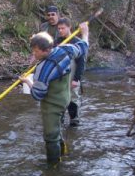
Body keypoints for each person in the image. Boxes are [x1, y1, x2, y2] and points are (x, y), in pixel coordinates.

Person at [20, 23, 89, 166]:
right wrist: (85, 33)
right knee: (57, 126)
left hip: (52, 105)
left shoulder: (42, 70)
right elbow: (83, 47)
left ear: (45, 50)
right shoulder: (66, 49)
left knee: (50, 136)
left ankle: (54, 166)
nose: (34, 54)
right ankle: (63, 151)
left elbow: (38, 94)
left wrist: (27, 81)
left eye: (36, 51)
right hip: (65, 98)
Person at [54, 17, 87, 126]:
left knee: (73, 99)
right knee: (60, 99)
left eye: (62, 28)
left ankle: (74, 121)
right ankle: (60, 120)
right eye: (58, 29)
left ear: (69, 28)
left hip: (72, 75)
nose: (60, 31)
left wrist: (76, 79)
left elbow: (82, 63)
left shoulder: (77, 42)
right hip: (60, 76)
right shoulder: (57, 42)